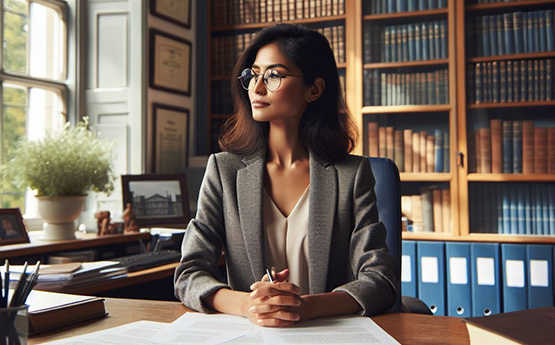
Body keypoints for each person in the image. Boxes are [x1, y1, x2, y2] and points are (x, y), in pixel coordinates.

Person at [174, 23, 398, 327]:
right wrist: (246, 304)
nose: (257, 87)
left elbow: (380, 280)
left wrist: (305, 307)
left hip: (328, 335)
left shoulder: (352, 176)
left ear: (314, 89)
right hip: (251, 335)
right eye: (254, 74)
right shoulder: (224, 171)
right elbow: (189, 274)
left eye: (274, 75)